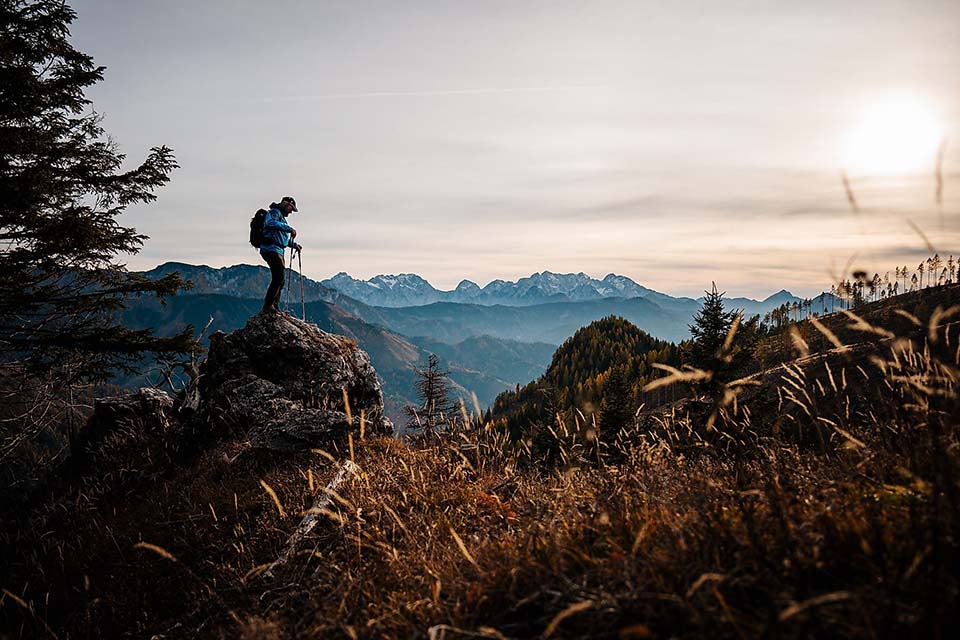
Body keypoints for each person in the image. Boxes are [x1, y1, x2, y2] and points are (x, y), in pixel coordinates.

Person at [260, 196, 302, 313]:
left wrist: (294, 245)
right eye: (291, 208)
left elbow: (282, 239)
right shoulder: (275, 213)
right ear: (286, 204)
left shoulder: (281, 218)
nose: (291, 212)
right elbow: (270, 223)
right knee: (279, 277)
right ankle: (268, 306)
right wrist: (289, 229)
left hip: (276, 250)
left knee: (280, 279)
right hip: (271, 249)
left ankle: (274, 306)